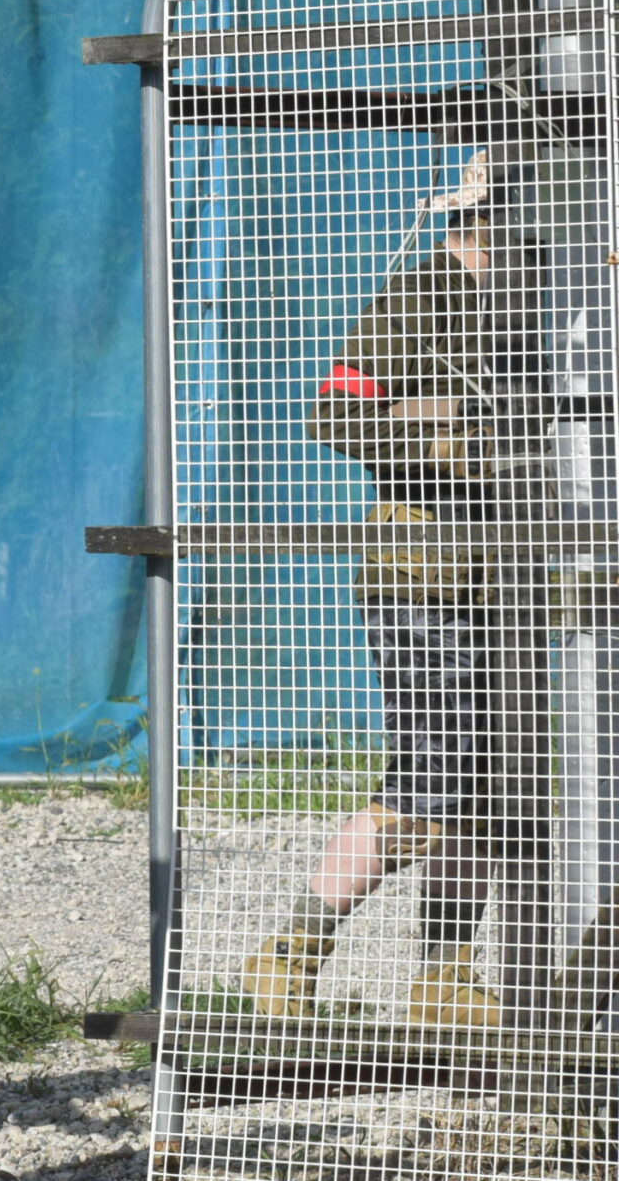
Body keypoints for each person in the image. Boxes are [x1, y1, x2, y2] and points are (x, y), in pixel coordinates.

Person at [242, 155, 516, 1028]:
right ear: (491, 212)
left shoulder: (531, 303)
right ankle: (290, 951)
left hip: (498, 582)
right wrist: (455, 440)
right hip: (423, 576)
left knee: (486, 790)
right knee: (429, 784)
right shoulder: (424, 291)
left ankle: (443, 974)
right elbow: (335, 411)